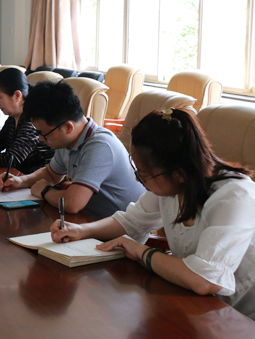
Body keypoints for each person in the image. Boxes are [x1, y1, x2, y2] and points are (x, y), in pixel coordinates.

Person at [51, 108, 255, 320]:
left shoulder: (234, 197)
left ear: (179, 174)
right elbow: (131, 222)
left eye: (144, 175)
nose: (138, 181)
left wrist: (142, 252)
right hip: (194, 303)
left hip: (240, 318)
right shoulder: (174, 183)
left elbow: (205, 279)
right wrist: (80, 230)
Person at [0, 81, 144, 219]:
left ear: (68, 127)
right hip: (90, 220)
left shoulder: (100, 146)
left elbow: (72, 203)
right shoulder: (69, 140)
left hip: (121, 229)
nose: (40, 139)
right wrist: (20, 181)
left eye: (43, 133)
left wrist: (45, 190)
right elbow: (51, 174)